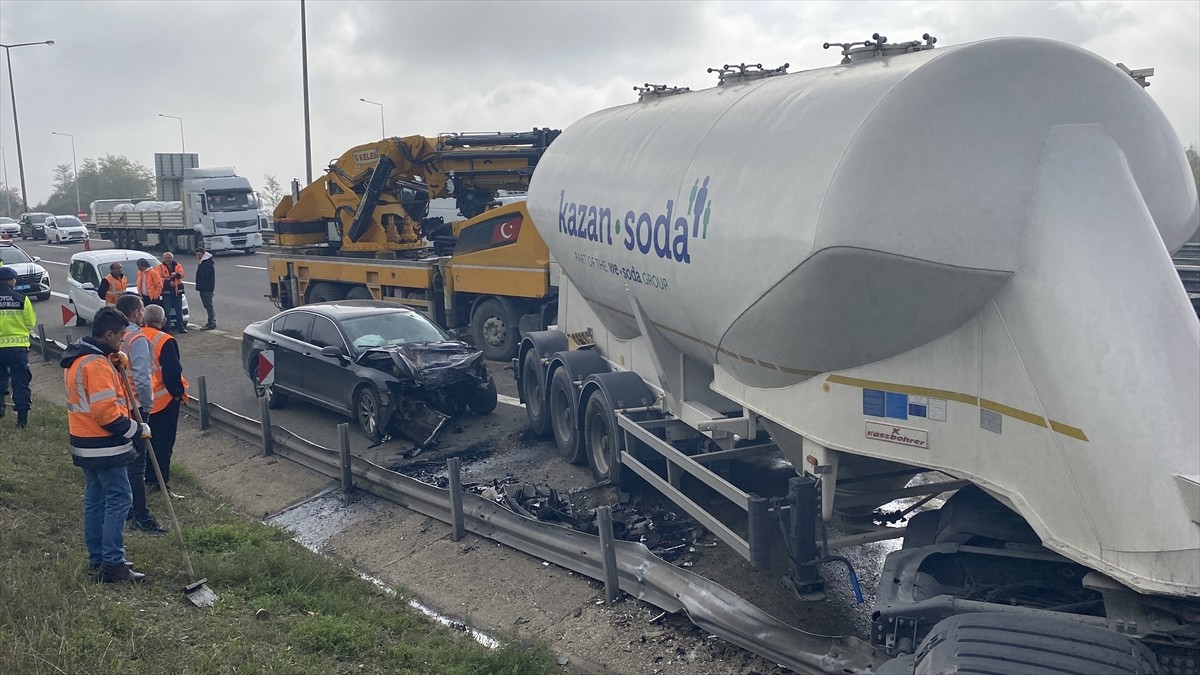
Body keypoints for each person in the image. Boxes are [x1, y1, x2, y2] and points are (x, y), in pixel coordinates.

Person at [61, 306, 151, 583]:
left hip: (83, 441)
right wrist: (137, 429)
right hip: (104, 444)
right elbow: (105, 413)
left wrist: (113, 359)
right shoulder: (97, 365)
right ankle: (113, 564)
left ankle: (98, 559)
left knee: (95, 500)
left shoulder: (80, 358)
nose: (123, 340)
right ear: (109, 334)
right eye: (121, 335)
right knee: (119, 499)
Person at [114, 294, 166, 535]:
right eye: (141, 309)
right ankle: (140, 514)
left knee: (124, 458)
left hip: (118, 405)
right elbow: (144, 379)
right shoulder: (138, 339)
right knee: (138, 462)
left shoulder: (115, 336)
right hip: (136, 407)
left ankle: (126, 507)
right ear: (135, 313)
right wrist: (147, 407)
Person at [141, 304, 188, 492]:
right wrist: (177, 394)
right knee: (163, 444)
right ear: (164, 321)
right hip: (163, 402)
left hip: (139, 401)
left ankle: (146, 476)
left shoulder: (134, 336)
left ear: (144, 320)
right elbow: (172, 372)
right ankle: (160, 482)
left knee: (146, 441)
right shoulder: (165, 340)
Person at [0, 265, 36, 428]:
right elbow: (30, 323)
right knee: (20, 383)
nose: (15, 281)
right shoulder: (22, 298)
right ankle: (22, 420)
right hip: (18, 348)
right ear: (8, 281)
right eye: (14, 279)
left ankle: (0, 411)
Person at [156, 252, 187, 333]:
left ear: (172, 258)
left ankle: (181, 328)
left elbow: (182, 274)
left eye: (169, 258)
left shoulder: (177, 265)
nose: (167, 259)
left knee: (179, 311)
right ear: (163, 258)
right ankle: (167, 329)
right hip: (166, 293)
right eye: (166, 258)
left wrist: (176, 274)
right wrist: (168, 282)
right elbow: (158, 278)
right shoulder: (160, 267)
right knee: (167, 312)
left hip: (177, 292)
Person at [194, 245, 216, 330]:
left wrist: (201, 286)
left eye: (199, 255)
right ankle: (212, 321)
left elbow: (204, 277)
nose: (198, 256)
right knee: (208, 305)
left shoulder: (206, 264)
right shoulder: (205, 262)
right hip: (206, 288)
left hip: (206, 288)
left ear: (203, 254)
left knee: (208, 305)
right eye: (197, 255)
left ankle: (211, 322)